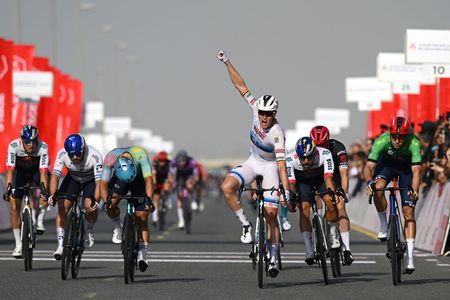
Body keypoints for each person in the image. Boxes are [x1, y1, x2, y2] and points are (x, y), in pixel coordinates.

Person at [217, 50, 290, 277]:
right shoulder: (256, 107)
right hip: (252, 161)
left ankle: (274, 255)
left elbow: (280, 166)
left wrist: (285, 191)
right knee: (226, 187)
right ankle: (245, 224)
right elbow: (240, 85)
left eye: (268, 114)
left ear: (275, 113)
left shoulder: (277, 134)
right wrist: (226, 61)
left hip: (270, 168)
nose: (263, 117)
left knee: (270, 215)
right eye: (261, 113)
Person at [364, 116, 421, 273]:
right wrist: (369, 182)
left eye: (401, 137)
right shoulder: (381, 141)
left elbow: (416, 171)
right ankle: (383, 223)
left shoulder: (414, 143)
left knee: (408, 211)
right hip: (387, 165)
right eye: (394, 136)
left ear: (406, 135)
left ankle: (410, 257)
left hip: (406, 170)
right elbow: (368, 166)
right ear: (389, 133)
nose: (397, 140)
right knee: (378, 187)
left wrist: (414, 191)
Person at [285, 137, 339, 265]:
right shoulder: (290, 159)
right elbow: (291, 184)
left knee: (330, 202)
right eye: (302, 158)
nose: (306, 161)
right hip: (302, 182)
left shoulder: (325, 154)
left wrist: (332, 193)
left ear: (315, 153)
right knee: (304, 208)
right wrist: (291, 199)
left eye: (309, 157)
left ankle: (333, 235)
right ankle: (309, 249)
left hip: (321, 180)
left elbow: (328, 178)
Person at [100, 147, 155, 272]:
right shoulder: (111, 158)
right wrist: (105, 202)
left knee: (142, 216)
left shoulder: (141, 156)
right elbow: (102, 184)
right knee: (110, 205)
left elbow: (148, 180)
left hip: (139, 178)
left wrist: (149, 200)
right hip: (120, 178)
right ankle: (118, 227)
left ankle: (143, 255)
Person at [49, 134, 103, 260]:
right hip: (73, 179)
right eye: (71, 154)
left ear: (83, 149)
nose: (74, 157)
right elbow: (55, 176)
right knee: (62, 207)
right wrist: (53, 194)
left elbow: (99, 183)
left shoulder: (94, 156)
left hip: (91, 181)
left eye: (77, 154)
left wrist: (96, 200)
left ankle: (88, 230)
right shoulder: (62, 154)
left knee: (90, 206)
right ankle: (61, 245)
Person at [3, 125, 49, 258]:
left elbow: (44, 173)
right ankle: (18, 244)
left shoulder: (43, 147)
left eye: (34, 141)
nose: (31, 145)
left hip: (36, 171)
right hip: (20, 173)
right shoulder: (13, 146)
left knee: (46, 190)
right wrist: (8, 189)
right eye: (27, 142)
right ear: (21, 140)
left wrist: (44, 190)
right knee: (14, 207)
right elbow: (10, 171)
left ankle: (39, 220)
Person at [310, 125, 353, 265]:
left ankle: (347, 250)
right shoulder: (309, 148)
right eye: (318, 145)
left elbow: (344, 173)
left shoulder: (338, 147)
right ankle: (319, 226)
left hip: (334, 176)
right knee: (317, 201)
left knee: (340, 208)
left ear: (328, 141)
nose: (321, 148)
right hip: (318, 176)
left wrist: (344, 192)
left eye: (323, 145)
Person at [168, 150, 200, 229]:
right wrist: (173, 182)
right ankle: (181, 220)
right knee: (180, 196)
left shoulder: (192, 161)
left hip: (189, 175)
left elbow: (196, 175)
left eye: (183, 161)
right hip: (179, 176)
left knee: (189, 185)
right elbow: (170, 175)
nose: (182, 163)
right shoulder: (173, 162)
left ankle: (192, 201)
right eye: (180, 162)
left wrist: (193, 182)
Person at [151, 151, 171, 227]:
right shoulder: (155, 163)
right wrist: (155, 183)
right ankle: (155, 218)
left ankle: (167, 199)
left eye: (164, 161)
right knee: (156, 199)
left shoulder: (169, 163)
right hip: (157, 180)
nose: (162, 163)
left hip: (165, 180)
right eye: (161, 161)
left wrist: (169, 181)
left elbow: (170, 174)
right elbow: (153, 174)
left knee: (167, 187)